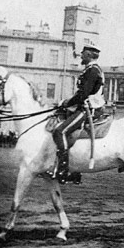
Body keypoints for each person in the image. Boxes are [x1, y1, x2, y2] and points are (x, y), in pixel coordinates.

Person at [51, 44, 105, 184]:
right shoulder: (89, 70)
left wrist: (66, 102)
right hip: (84, 106)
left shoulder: (92, 71)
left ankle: (63, 171)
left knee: (59, 132)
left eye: (83, 54)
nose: (81, 55)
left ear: (89, 55)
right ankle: (75, 171)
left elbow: (83, 95)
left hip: (89, 108)